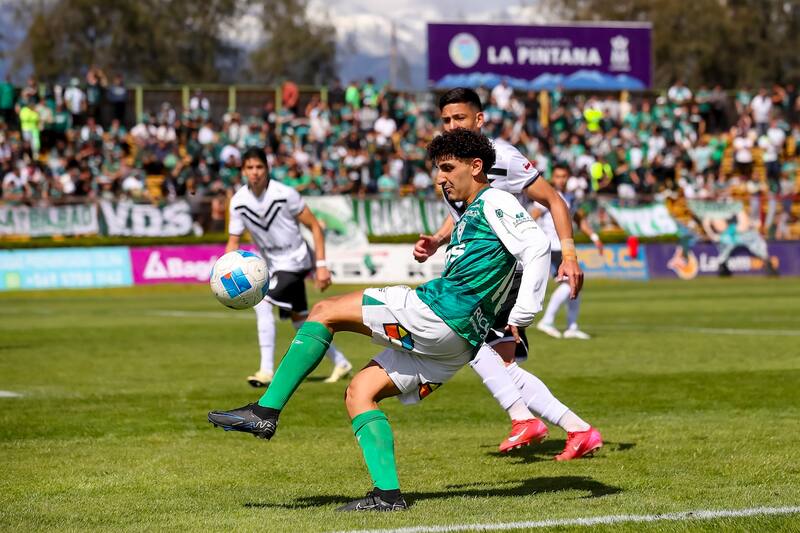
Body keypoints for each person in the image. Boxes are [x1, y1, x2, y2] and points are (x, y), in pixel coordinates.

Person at [209, 128, 552, 511]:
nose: (439, 178)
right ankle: (387, 496)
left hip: (438, 313)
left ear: (475, 166)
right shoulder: (472, 211)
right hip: (458, 344)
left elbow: (537, 245)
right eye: (438, 170)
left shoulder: (496, 200)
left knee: (324, 311)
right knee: (360, 392)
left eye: (447, 168)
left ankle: (265, 411)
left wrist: (524, 311)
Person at [414, 88, 602, 458]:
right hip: (476, 271)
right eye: (446, 120)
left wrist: (569, 254)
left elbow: (555, 200)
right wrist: (437, 239)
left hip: (501, 273)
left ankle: (534, 421)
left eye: (459, 118)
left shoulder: (503, 158)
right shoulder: (452, 163)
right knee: (499, 360)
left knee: (474, 346)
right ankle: (576, 430)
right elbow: (467, 216)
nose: (452, 126)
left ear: (479, 119)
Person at [225, 147, 353, 386]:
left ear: (267, 169)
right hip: (272, 265)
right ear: (243, 171)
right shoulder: (238, 202)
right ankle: (341, 362)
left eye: (259, 167)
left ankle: (266, 371)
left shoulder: (285, 194)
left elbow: (315, 226)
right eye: (250, 167)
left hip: (296, 260)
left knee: (262, 302)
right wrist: (224, 271)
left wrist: (321, 266)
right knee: (300, 320)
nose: (255, 172)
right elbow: (233, 240)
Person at [532, 163, 604, 339]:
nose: (561, 180)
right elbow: (532, 216)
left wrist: (594, 237)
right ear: (553, 177)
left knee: (574, 283)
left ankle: (572, 326)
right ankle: (547, 321)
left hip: (563, 248)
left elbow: (579, 219)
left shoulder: (569, 198)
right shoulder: (546, 195)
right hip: (552, 247)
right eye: (558, 176)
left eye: (564, 176)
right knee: (569, 284)